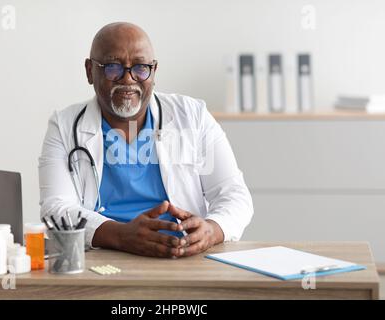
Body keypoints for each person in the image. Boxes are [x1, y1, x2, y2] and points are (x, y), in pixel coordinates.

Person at [38, 22, 253, 258]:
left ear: (154, 70)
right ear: (90, 71)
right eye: (112, 67)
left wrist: (213, 230)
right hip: (105, 255)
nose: (128, 79)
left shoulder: (192, 116)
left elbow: (234, 195)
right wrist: (121, 235)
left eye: (140, 68)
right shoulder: (65, 125)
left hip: (182, 255)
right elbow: (55, 209)